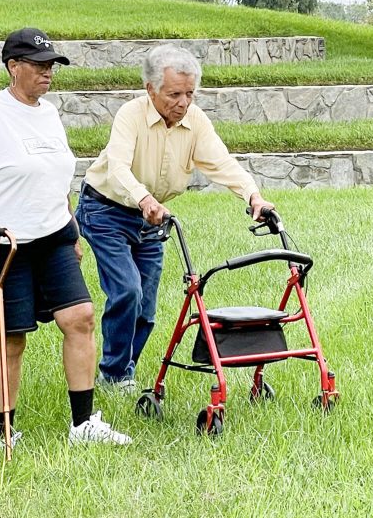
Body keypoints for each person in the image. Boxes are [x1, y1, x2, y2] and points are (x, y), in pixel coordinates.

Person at [0, 27, 131, 448]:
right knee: (11, 338)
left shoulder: (48, 114)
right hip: (1, 244)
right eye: (40, 66)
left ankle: (84, 425)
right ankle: (4, 432)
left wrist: (71, 229)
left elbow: (55, 177)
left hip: (53, 235)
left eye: (52, 66)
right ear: (13, 67)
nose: (48, 74)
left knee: (79, 318)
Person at [76, 44, 275, 391]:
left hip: (154, 218)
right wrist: (144, 198)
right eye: (174, 94)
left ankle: (124, 370)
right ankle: (113, 375)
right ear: (150, 89)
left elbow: (221, 162)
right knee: (126, 290)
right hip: (106, 210)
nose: (183, 103)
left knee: (146, 308)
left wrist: (253, 195)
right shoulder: (131, 115)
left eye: (189, 94)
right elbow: (118, 167)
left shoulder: (194, 120)